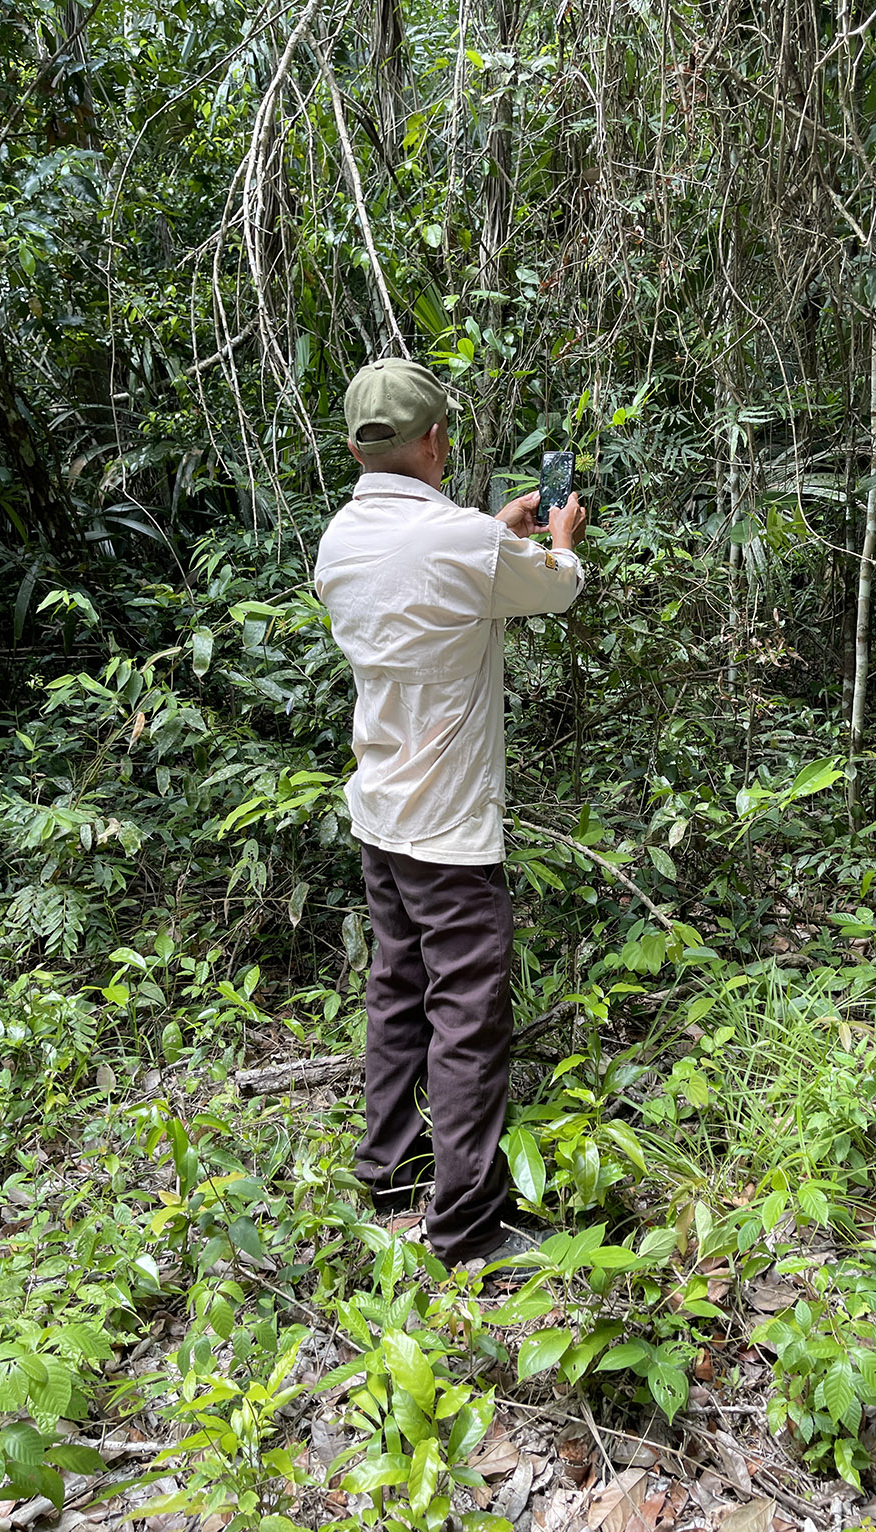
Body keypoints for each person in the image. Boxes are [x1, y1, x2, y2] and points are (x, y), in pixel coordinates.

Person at [314, 357, 587, 1268]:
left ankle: (389, 1169)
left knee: (397, 987)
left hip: (379, 810)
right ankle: (468, 1228)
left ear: (360, 447)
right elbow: (552, 586)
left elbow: (435, 570)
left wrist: (490, 531)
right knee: (467, 1012)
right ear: (435, 440)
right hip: (449, 826)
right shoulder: (464, 543)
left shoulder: (341, 539)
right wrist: (558, 536)